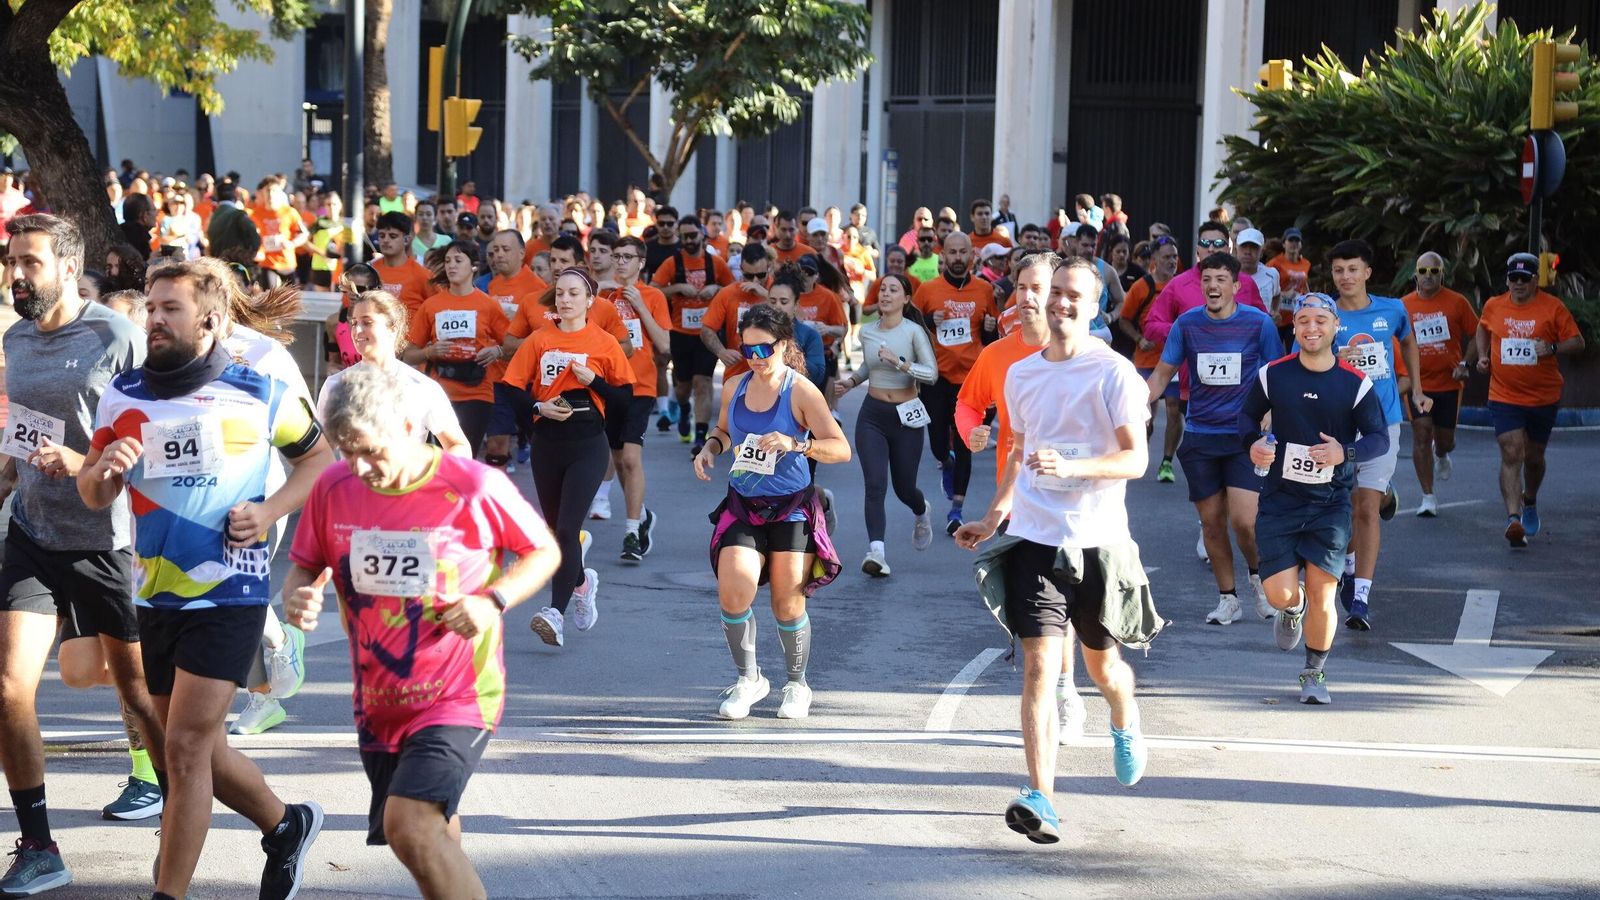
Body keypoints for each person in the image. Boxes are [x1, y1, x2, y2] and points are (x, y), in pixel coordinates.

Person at [78, 257, 332, 900]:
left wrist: (270, 511)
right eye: (153, 308)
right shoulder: (123, 392)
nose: (155, 320)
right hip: (154, 590)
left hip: (231, 587)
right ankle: (286, 824)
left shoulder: (259, 389)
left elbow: (320, 460)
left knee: (187, 749)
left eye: (171, 310)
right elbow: (90, 489)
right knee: (193, 751)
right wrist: (106, 468)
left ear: (211, 321)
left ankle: (169, 894)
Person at [284, 365, 558, 900]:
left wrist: (493, 599)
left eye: (370, 449)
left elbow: (543, 551)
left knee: (407, 824)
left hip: (459, 693)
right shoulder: (333, 487)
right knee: (427, 838)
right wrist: (300, 593)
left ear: (409, 427)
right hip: (379, 701)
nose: (360, 467)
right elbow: (305, 563)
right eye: (346, 451)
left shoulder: (473, 484)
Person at [954, 257, 1153, 844]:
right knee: (1040, 668)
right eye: (1053, 293)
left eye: (1073, 296)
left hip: (1098, 539)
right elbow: (1019, 450)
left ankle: (1124, 717)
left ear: (1094, 308)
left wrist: (1074, 466)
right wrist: (993, 516)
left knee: (1104, 668)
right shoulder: (1020, 375)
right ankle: (1041, 795)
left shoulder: (1115, 373)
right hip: (1036, 537)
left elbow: (1135, 459)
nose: (1060, 303)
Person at [0, 216, 166, 897]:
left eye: (30, 262)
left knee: (137, 692)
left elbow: (156, 435)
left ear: (68, 268)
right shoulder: (14, 337)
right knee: (10, 688)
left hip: (107, 539)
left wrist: (86, 462)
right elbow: (20, 436)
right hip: (33, 533)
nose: (16, 273)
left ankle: (185, 811)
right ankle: (38, 843)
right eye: (12, 260)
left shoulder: (114, 335)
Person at [957, 252, 1090, 744]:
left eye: (1041, 287)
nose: (1029, 297)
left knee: (1069, 609)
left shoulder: (1090, 357)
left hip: (1076, 503)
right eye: (1022, 286)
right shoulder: (999, 357)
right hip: (1017, 501)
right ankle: (1055, 688)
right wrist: (974, 432)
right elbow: (969, 404)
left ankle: (1068, 690)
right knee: (1038, 612)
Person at [693, 305, 849, 721]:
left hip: (791, 508)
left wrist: (796, 444)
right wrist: (710, 448)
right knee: (733, 591)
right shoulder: (735, 385)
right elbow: (725, 430)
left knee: (787, 605)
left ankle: (797, 684)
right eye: (748, 350)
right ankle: (749, 679)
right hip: (743, 503)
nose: (757, 358)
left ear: (783, 346)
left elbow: (840, 448)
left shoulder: (800, 391)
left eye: (764, 349)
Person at [1241, 294, 1391, 705]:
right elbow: (1245, 417)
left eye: (1320, 320)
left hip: (1330, 501)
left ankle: (1314, 672)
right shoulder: (1273, 375)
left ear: (1335, 326)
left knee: (1325, 588)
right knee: (1278, 595)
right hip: (1279, 499)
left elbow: (1378, 436)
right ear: (1295, 328)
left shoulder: (1353, 383)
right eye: (1303, 320)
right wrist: (1253, 444)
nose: (1311, 327)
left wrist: (1346, 452)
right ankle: (1293, 608)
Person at [1144, 253, 1283, 624]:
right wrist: (1138, 405)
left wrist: (1270, 412)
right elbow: (1161, 374)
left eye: (1221, 279)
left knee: (1244, 521)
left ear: (1236, 286)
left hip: (1244, 437)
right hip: (1201, 435)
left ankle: (1257, 580)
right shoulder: (1187, 325)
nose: (1213, 286)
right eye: (1207, 279)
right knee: (1211, 523)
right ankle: (1228, 599)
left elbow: (1278, 374)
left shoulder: (1258, 324)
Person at [503, 268, 635, 647]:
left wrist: (595, 382)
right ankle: (582, 581)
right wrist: (539, 408)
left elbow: (626, 400)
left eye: (574, 293)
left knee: (565, 530)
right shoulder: (539, 339)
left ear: (590, 300)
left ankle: (554, 612)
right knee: (557, 533)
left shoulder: (604, 342)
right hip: (548, 442)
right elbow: (512, 389)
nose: (565, 300)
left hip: (588, 444)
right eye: (559, 293)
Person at [1321, 239, 1428, 630]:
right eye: (1338, 270)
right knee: (1350, 504)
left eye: (1352, 269)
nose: (1345, 277)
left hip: (1382, 420)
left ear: (1367, 272)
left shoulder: (1393, 309)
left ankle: (1361, 597)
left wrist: (1415, 388)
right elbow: (1306, 353)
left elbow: (1408, 340)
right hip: (1340, 422)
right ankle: (1349, 565)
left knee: (1365, 508)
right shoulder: (1325, 314)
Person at [1475, 252, 1584, 547]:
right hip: (1504, 394)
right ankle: (1513, 518)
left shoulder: (1553, 307)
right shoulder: (1494, 305)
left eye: (1525, 278)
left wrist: (1551, 347)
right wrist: (1483, 356)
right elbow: (1483, 328)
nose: (1519, 283)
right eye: (1514, 278)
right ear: (1507, 279)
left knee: (1534, 458)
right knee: (1512, 452)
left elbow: (1577, 342)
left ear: (1536, 280)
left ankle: (1530, 500)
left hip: (1543, 396)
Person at [834, 272, 938, 575]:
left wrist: (900, 363)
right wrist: (851, 381)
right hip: (873, 415)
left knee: (905, 489)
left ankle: (921, 510)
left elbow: (931, 374)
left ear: (906, 299)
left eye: (893, 290)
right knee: (875, 485)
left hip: (907, 415)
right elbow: (869, 364)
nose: (885, 294)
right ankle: (876, 553)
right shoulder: (867, 332)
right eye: (882, 289)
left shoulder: (914, 332)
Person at [912, 232, 998, 534]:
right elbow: (911, 329)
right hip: (937, 377)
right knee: (937, 443)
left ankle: (956, 511)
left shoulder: (985, 290)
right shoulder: (927, 290)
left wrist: (989, 328)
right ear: (943, 256)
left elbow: (993, 339)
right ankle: (944, 462)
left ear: (971, 257)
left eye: (964, 252)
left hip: (971, 382)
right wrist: (928, 321)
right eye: (953, 252)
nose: (958, 258)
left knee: (965, 444)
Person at [317, 289, 471, 457]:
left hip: (406, 483)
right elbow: (321, 452)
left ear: (393, 328)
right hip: (351, 483)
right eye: (354, 323)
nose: (357, 330)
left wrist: (429, 476)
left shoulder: (421, 387)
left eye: (367, 322)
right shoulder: (335, 384)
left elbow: (459, 446)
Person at [597, 235, 673, 561]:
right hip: (609, 386)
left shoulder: (653, 296)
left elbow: (665, 344)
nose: (621, 262)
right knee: (617, 461)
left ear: (641, 263)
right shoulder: (603, 298)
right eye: (617, 256)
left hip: (641, 386)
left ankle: (630, 533)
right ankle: (643, 515)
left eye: (628, 257)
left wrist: (640, 306)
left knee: (630, 459)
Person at [401, 240, 510, 455]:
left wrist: (496, 351)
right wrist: (429, 352)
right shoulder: (431, 305)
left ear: (474, 267)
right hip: (438, 395)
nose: (451, 266)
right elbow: (408, 355)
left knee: (463, 460)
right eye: (448, 261)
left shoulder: (488, 305)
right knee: (437, 462)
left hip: (477, 394)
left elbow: (512, 346)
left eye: (458, 260)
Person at [1400, 251, 1478, 516]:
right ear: (1415, 275)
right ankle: (1428, 496)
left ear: (1442, 274)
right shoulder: (1404, 306)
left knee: (1445, 441)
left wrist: (1465, 363)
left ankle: (1442, 454)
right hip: (1417, 385)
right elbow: (1389, 339)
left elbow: (1478, 333)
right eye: (1423, 271)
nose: (1428, 276)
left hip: (1448, 384)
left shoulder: (1457, 302)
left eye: (1434, 271)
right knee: (1421, 434)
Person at [653, 214, 734, 453]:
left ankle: (701, 435)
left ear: (702, 234)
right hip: (680, 332)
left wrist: (716, 289)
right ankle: (684, 409)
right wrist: (677, 288)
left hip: (707, 332)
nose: (689, 240)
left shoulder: (715, 263)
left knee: (703, 382)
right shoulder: (672, 263)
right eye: (684, 235)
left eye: (693, 235)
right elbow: (654, 291)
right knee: (683, 387)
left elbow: (732, 289)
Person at [1120, 236, 1182, 467]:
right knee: (1146, 412)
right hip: (1146, 360)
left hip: (1175, 359)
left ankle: (1167, 462)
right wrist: (1139, 338)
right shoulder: (1142, 287)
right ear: (1154, 259)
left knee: (1174, 410)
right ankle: (1140, 452)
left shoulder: (1182, 286)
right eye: (1166, 256)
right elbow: (1124, 320)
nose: (1172, 261)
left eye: (1175, 256)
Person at [371, 212, 434, 316]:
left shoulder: (422, 275)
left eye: (393, 236)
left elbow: (437, 309)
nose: (386, 240)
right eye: (382, 235)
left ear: (406, 240)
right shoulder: (370, 271)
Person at [323, 263, 379, 376]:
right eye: (348, 287)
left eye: (360, 288)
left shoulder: (381, 322)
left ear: (373, 289)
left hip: (377, 385)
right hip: (348, 387)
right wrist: (332, 370)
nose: (354, 293)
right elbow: (333, 362)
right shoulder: (333, 322)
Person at [1266, 227, 1310, 348]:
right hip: (1277, 316)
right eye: (1291, 240)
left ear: (1301, 244)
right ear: (1284, 243)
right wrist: (1283, 295)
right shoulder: (1274, 263)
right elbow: (1265, 286)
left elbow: (1304, 283)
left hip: (1295, 317)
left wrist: (1309, 299)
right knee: (1275, 352)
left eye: (1297, 240)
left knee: (1293, 351)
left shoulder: (1306, 264)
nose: (1294, 243)